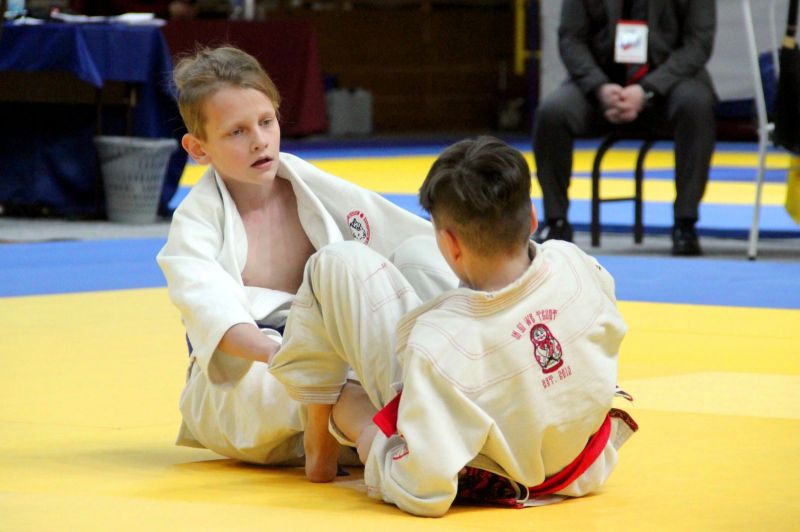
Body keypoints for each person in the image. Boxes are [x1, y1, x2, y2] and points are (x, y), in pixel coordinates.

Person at [269, 136, 637, 517]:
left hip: (494, 470)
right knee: (413, 253)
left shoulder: (437, 344)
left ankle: (319, 443)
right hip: (582, 457)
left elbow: (422, 487)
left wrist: (364, 429)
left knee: (336, 263)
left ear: (451, 243)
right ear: (531, 217)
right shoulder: (576, 263)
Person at [156, 46, 456, 479]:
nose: (259, 140)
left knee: (420, 258)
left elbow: (399, 237)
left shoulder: (307, 184)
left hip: (335, 355)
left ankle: (403, 421)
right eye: (236, 132)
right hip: (250, 373)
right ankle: (392, 457)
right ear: (198, 148)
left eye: (266, 122)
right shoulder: (196, 222)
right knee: (337, 392)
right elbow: (216, 316)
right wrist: (304, 362)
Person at [533, 0, 717, 256]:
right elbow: (571, 40)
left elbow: (697, 45)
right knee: (552, 112)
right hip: (599, 89)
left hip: (668, 89)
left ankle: (685, 223)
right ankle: (556, 222)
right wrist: (599, 87)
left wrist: (647, 90)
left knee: (696, 105)